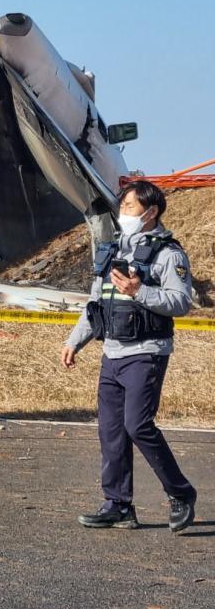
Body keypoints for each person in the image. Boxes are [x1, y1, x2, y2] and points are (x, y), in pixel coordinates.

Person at [61, 180, 196, 532]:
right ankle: (118, 505)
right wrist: (75, 341)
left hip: (146, 353)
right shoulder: (112, 250)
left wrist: (140, 291)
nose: (123, 213)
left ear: (151, 213)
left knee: (137, 425)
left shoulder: (169, 253)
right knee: (111, 431)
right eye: (122, 206)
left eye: (131, 207)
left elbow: (180, 302)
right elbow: (96, 304)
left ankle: (180, 493)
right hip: (112, 353)